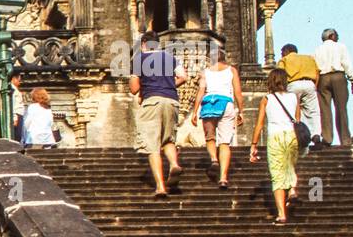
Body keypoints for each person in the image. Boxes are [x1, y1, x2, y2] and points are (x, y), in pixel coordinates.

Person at [129, 32, 186, 199]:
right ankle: (174, 164)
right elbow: (183, 77)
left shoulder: (139, 59)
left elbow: (133, 88)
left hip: (152, 101)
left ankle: (160, 186)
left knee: (152, 144)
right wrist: (168, 85)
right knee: (168, 139)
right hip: (171, 100)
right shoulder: (169, 57)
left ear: (144, 43)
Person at [249, 67, 300, 224]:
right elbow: (298, 120)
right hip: (291, 135)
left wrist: (254, 145)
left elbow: (259, 124)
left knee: (277, 175)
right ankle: (292, 189)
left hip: (275, 136)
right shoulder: (294, 97)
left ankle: (282, 214)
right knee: (290, 166)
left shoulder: (267, 99)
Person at [190, 45, 244, 188]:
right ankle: (223, 178)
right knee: (225, 143)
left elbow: (201, 91)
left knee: (210, 137)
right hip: (226, 103)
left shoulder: (205, 72)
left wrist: (195, 111)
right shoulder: (231, 70)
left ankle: (214, 159)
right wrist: (241, 111)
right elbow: (238, 92)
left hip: (209, 103)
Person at [276, 43, 324, 149]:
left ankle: (298, 138)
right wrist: (314, 86)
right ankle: (316, 135)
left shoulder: (284, 60)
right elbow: (317, 74)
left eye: (282, 52)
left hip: (293, 85)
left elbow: (280, 75)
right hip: (309, 84)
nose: (281, 55)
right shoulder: (309, 58)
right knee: (313, 112)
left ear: (287, 51)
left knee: (293, 113)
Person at [314, 28, 353, 146]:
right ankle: (345, 140)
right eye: (336, 35)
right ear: (332, 36)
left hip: (323, 78)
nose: (337, 37)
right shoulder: (340, 47)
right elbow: (346, 63)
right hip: (338, 77)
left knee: (325, 110)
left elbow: (316, 66)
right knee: (341, 109)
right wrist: (352, 80)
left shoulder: (318, 49)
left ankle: (327, 138)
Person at [9, 70, 26, 141]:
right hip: (17, 115)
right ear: (14, 78)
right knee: (17, 137)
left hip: (18, 115)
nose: (19, 82)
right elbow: (13, 103)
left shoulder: (14, 89)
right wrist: (15, 118)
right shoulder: (12, 90)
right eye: (19, 80)